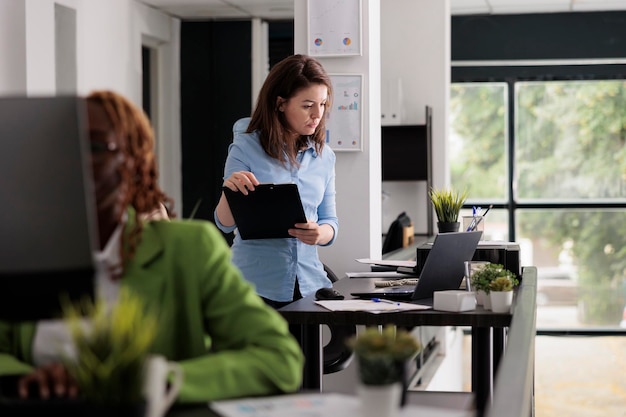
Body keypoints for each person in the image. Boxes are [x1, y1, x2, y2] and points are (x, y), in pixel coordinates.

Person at [0, 90, 304, 402]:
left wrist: (159, 380)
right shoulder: (16, 251)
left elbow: (279, 358)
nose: (72, 159)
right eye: (60, 146)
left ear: (132, 162)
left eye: (94, 146)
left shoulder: (189, 250)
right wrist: (27, 379)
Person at [214, 54, 338, 308]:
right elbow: (224, 224)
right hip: (253, 287)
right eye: (307, 105)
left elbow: (330, 222)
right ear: (280, 103)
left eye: (323, 104)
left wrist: (320, 233)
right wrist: (230, 190)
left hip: (309, 285)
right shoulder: (245, 148)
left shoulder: (325, 157)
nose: (317, 114)